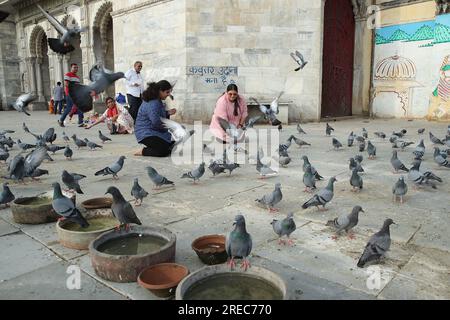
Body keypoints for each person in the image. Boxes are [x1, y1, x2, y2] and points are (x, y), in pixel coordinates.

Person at [134, 80, 176, 157]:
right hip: (145, 133)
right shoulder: (153, 102)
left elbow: (157, 115)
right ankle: (143, 151)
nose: (169, 95)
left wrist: (168, 113)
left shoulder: (156, 100)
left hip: (153, 130)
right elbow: (156, 122)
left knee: (172, 144)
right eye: (167, 92)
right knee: (163, 151)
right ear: (160, 91)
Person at [58, 63, 85, 127]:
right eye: (74, 67)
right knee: (69, 108)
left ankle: (80, 122)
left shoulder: (77, 77)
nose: (76, 69)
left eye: (76, 67)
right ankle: (61, 120)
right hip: (70, 94)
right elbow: (66, 84)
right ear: (71, 68)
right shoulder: (68, 75)